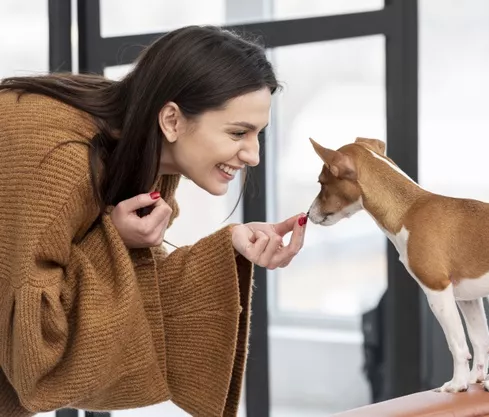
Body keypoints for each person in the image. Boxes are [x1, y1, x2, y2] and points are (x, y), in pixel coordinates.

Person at [0, 25, 307, 417]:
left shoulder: (145, 152)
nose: (253, 155)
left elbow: (131, 278)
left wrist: (231, 243)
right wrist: (114, 239)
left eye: (258, 133)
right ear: (172, 120)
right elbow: (36, 348)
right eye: (238, 132)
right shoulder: (67, 165)